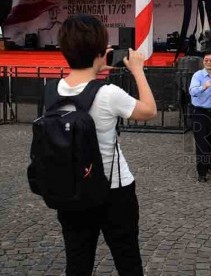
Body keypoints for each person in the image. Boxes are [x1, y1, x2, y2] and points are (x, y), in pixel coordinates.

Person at [55, 14, 156, 275]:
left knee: (77, 263)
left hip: (71, 190)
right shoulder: (108, 93)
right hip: (113, 190)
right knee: (127, 259)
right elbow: (149, 110)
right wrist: (137, 70)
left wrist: (95, 67)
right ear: (101, 52)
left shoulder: (53, 90)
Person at [189, 50, 211, 182]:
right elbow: (192, 91)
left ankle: (208, 166)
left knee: (209, 141)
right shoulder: (198, 76)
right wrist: (204, 87)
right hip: (200, 113)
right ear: (203, 62)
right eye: (206, 60)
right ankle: (201, 173)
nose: (209, 62)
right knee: (201, 144)